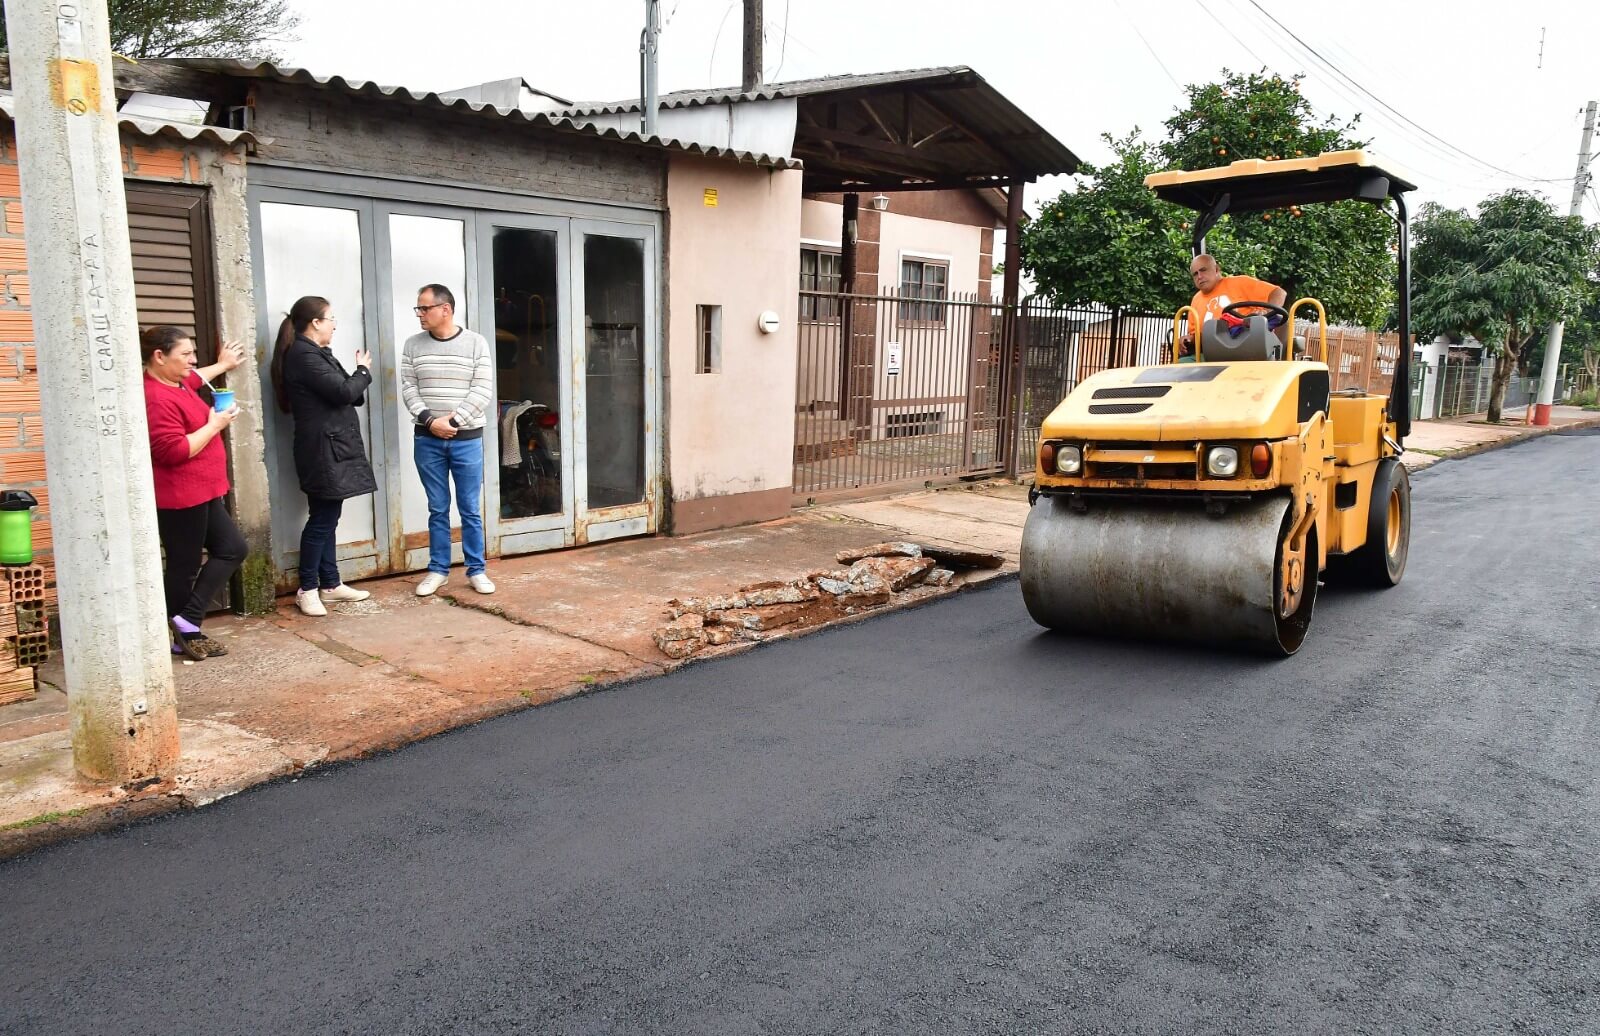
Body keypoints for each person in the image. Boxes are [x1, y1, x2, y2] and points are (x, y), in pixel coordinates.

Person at [142, 325, 250, 660]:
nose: (193, 360)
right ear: (160, 357)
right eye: (186, 354)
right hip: (180, 495)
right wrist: (215, 425)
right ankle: (184, 632)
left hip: (203, 490)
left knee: (232, 549)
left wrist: (223, 365)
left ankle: (186, 621)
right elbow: (173, 451)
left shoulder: (175, 382)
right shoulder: (156, 398)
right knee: (184, 565)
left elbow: (194, 378)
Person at [271, 296, 378, 617]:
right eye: (331, 319)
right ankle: (307, 589)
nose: (334, 325)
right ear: (316, 322)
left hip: (332, 447)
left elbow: (351, 395)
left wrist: (356, 376)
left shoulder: (318, 353)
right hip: (322, 450)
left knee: (328, 516)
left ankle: (330, 584)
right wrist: (363, 370)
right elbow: (346, 391)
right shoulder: (303, 355)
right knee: (322, 520)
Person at [400, 283, 496, 596]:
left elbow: (482, 390)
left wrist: (451, 423)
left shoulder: (475, 343)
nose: (419, 314)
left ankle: (476, 570)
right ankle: (438, 569)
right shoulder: (413, 345)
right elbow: (409, 389)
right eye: (418, 308)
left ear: (446, 309)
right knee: (437, 507)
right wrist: (431, 422)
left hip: (466, 439)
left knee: (470, 507)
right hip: (427, 439)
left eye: (424, 308)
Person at [1180, 253, 1288, 358]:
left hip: (1251, 349)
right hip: (1212, 354)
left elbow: (1279, 293)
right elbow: (1195, 336)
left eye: (1203, 270)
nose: (1199, 276)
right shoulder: (1195, 300)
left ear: (1216, 269)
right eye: (1195, 274)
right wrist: (1187, 339)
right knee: (1182, 364)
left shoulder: (1240, 282)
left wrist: (1266, 312)